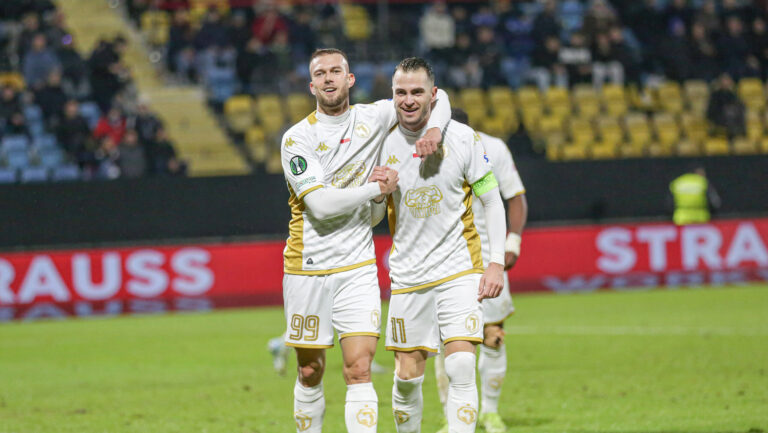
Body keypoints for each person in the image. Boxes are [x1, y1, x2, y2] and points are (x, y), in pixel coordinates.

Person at [279, 48, 452, 433]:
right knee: (310, 370)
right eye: (320, 73)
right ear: (311, 85)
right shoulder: (297, 139)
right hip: (307, 269)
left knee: (359, 368)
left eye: (335, 71)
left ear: (350, 79)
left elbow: (437, 98)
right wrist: (374, 190)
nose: (328, 78)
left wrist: (436, 129)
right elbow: (320, 205)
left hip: (357, 267)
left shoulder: (373, 117)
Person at [373, 57, 506, 433]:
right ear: (392, 95)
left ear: (434, 95)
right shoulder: (378, 142)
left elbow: (492, 200)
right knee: (406, 377)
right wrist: (374, 194)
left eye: (418, 92)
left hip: (459, 268)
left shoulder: (464, 138)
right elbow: (371, 218)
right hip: (408, 274)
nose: (409, 100)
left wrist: (495, 262)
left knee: (462, 364)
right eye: (401, 92)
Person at [433, 109, 528, 433]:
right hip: (441, 260)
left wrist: (511, 243)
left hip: (486, 257)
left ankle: (489, 411)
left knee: (493, 337)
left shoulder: (492, 147)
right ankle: (452, 416)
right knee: (445, 342)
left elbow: (515, 198)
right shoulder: (423, 150)